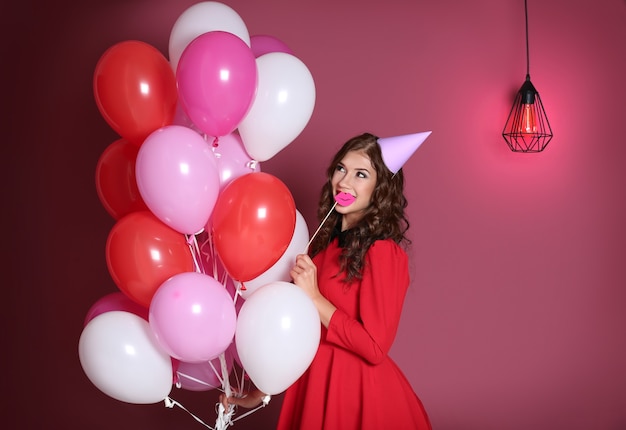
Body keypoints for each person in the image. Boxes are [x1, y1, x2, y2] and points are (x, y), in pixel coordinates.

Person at [222, 132, 432, 429]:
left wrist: (315, 297)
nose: (344, 182)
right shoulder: (321, 248)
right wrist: (259, 391)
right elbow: (296, 331)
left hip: (357, 395)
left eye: (361, 174)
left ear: (380, 188)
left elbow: (375, 348)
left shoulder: (383, 252)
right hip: (312, 386)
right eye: (341, 169)